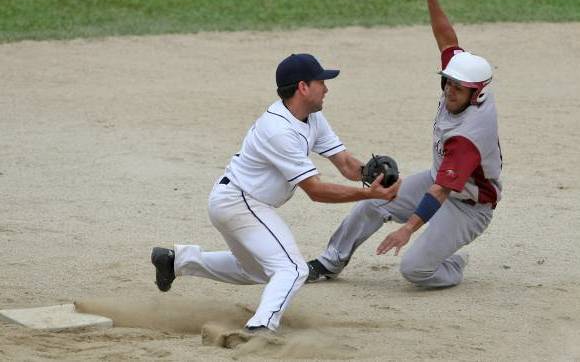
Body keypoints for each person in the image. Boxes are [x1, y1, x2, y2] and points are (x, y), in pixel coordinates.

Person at [151, 53, 400, 332]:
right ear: (303, 87)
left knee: (256, 270)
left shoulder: (312, 117)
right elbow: (315, 191)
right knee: (293, 269)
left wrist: (371, 174)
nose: (326, 88)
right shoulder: (278, 130)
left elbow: (345, 163)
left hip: (237, 200)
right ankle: (260, 328)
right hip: (240, 203)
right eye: (321, 82)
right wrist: (370, 196)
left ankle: (176, 262)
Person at [307, 0, 503, 288]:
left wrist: (407, 228)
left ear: (476, 93)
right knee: (373, 199)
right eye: (447, 83)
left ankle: (453, 263)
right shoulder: (466, 82)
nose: (450, 91)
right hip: (438, 178)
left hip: (469, 205)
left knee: (415, 270)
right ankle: (330, 261)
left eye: (458, 88)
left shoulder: (467, 137)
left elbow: (440, 191)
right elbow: (446, 40)